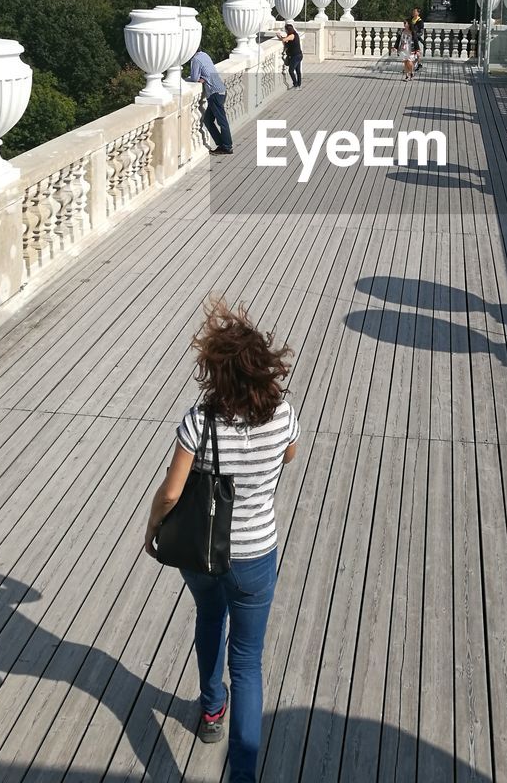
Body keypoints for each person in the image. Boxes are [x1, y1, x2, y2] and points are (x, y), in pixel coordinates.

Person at [145, 298, 299, 783]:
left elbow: (171, 492)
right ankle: (243, 775)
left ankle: (212, 710)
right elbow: (290, 455)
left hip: (204, 550)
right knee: (248, 661)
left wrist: (152, 527)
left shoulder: (200, 420)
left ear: (216, 373)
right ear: (262, 369)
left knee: (210, 617)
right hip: (257, 556)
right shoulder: (282, 414)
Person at [190, 50, 233, 155]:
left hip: (215, 93)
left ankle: (227, 147)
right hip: (221, 90)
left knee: (222, 122)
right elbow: (208, 71)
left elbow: (194, 78)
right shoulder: (204, 54)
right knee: (208, 120)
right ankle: (221, 144)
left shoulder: (195, 59)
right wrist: (204, 77)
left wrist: (202, 78)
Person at [275, 23, 303, 88]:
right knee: (298, 70)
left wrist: (279, 37)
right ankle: (299, 84)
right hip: (299, 55)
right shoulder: (295, 34)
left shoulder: (292, 35)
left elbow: (284, 40)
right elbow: (286, 39)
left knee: (291, 70)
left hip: (295, 56)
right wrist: (282, 37)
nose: (285, 31)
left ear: (288, 30)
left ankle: (295, 84)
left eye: (286, 30)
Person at [410, 6, 426, 71]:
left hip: (415, 38)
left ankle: (416, 64)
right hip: (410, 38)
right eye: (413, 11)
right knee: (412, 52)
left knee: (416, 52)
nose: (413, 12)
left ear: (418, 13)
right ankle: (417, 64)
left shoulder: (420, 21)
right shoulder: (411, 19)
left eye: (415, 11)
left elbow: (421, 32)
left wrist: (415, 35)